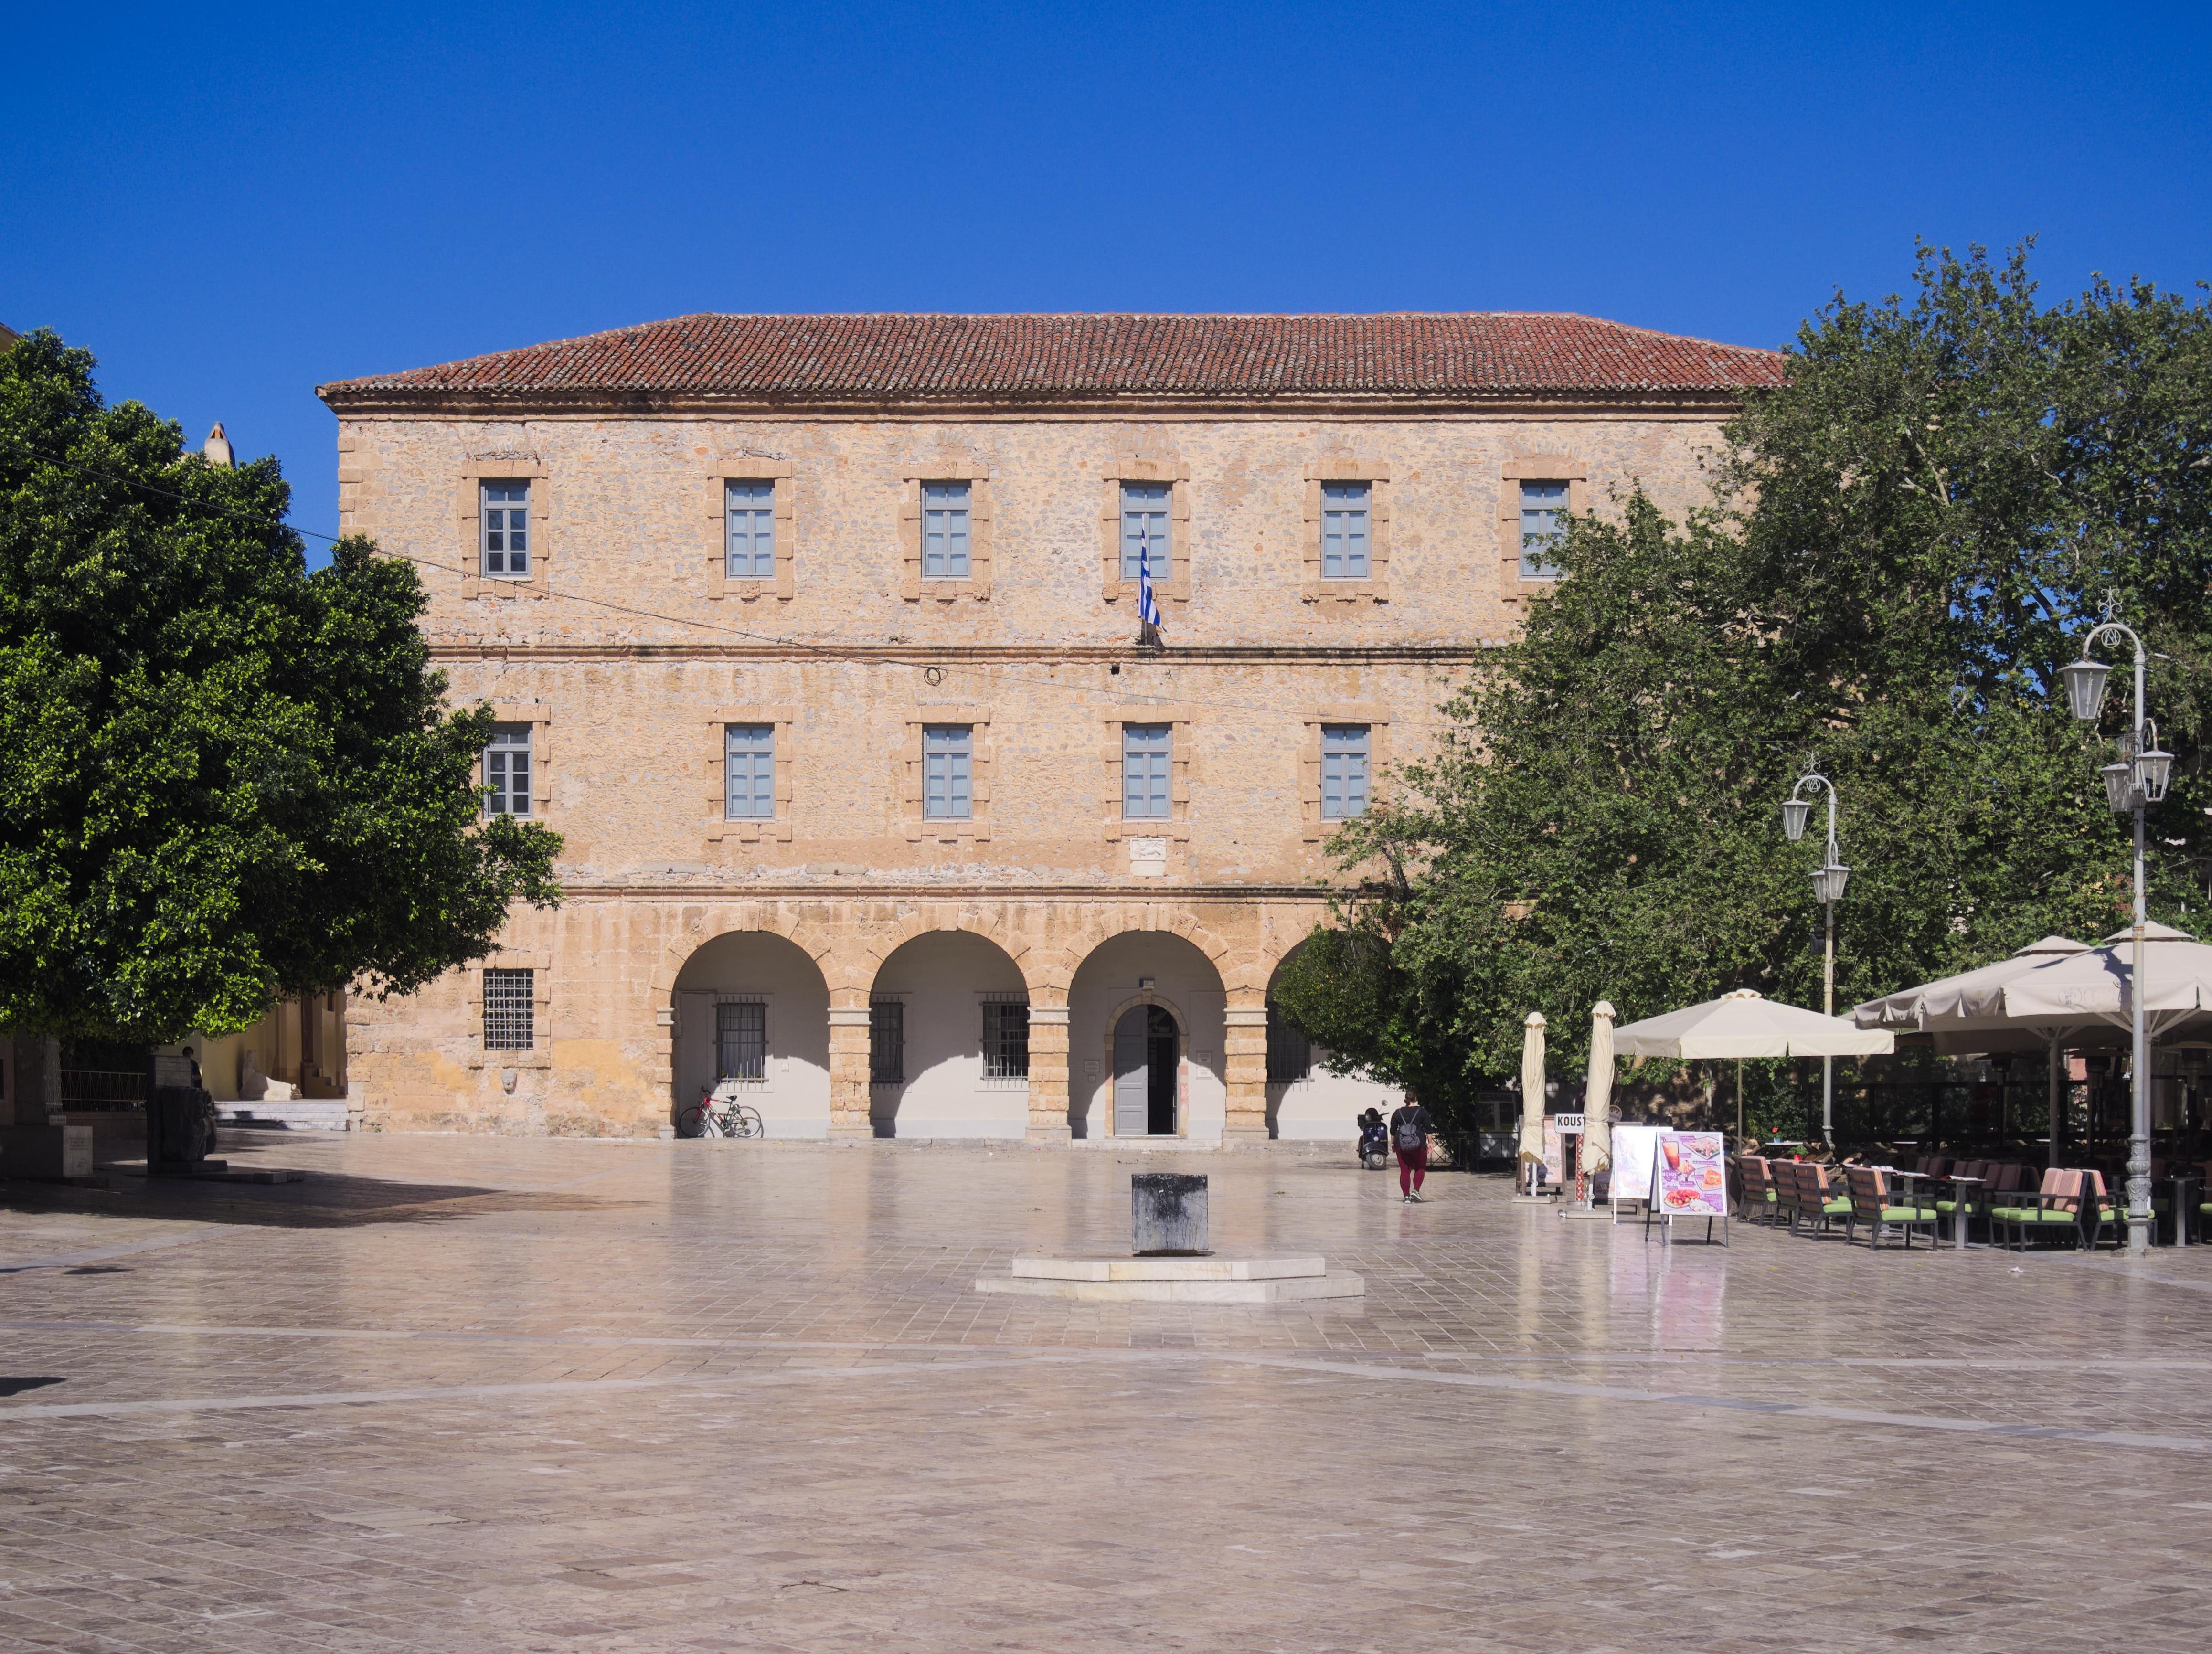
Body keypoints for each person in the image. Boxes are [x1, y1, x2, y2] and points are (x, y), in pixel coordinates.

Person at [1389, 1096, 1434, 1202]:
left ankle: (1406, 1197)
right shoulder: (1422, 1112)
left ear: (1406, 1098)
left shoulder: (1398, 1112)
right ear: (1416, 1098)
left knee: (1405, 1170)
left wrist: (1392, 1143)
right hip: (1418, 1144)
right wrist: (1430, 1143)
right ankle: (1416, 1191)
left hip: (1402, 1144)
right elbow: (1429, 1129)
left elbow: (1393, 1130)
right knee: (1420, 1168)